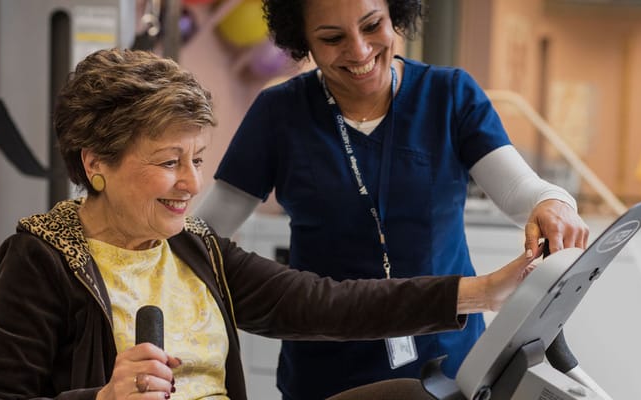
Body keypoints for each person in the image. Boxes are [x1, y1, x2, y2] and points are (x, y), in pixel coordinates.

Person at [0, 48, 541, 400]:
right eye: (168, 162)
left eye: (198, 160)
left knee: (411, 396)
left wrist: (483, 292)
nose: (191, 183)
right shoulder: (44, 257)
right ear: (96, 165)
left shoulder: (193, 248)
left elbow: (322, 303)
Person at [192, 0, 591, 398]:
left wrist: (552, 203)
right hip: (328, 366)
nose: (360, 51)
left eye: (372, 25)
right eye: (332, 38)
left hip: (446, 361)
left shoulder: (449, 95)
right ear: (304, 43)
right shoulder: (279, 113)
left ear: (394, 16)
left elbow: (519, 188)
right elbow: (202, 235)